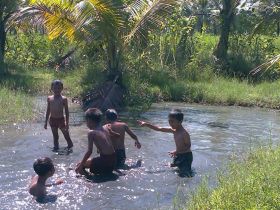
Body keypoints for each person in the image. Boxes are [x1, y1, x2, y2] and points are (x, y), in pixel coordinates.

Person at [138, 109, 193, 177]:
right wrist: (147, 124)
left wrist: (177, 151)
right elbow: (159, 129)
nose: (170, 123)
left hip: (186, 156)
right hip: (178, 154)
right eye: (169, 121)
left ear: (180, 122)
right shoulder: (173, 131)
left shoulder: (184, 133)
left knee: (185, 174)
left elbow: (188, 146)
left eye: (172, 121)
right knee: (174, 167)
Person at [75, 108, 117, 175]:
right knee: (87, 162)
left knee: (79, 165)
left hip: (104, 162)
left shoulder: (91, 132)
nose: (86, 123)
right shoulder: (105, 129)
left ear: (89, 121)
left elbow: (89, 151)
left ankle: (88, 179)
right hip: (113, 161)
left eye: (86, 121)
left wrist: (81, 165)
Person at [44, 80, 73, 151]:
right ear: (52, 88)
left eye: (59, 88)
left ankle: (70, 148)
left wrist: (67, 123)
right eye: (55, 88)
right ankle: (56, 149)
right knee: (55, 137)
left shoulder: (64, 99)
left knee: (67, 136)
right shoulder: (49, 98)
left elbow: (66, 112)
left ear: (62, 88)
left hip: (61, 120)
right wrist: (45, 122)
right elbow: (48, 110)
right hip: (52, 120)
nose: (57, 90)